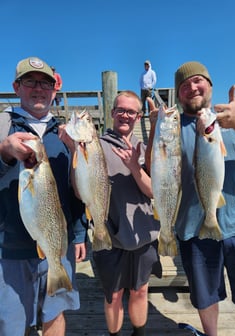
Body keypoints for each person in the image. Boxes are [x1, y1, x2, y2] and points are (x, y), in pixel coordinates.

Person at [145, 61, 235, 336]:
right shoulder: (171, 125)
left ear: (210, 85)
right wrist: (155, 133)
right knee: (205, 296)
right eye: (184, 85)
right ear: (178, 95)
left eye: (197, 81)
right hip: (193, 227)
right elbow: (154, 170)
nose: (191, 87)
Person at [0, 56, 87, 336]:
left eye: (45, 83)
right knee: (11, 324)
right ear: (16, 87)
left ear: (54, 90)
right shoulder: (4, 126)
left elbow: (77, 192)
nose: (38, 89)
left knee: (55, 315)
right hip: (8, 249)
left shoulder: (65, 135)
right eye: (30, 82)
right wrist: (3, 152)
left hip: (57, 245)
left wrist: (78, 234)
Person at [92, 90, 162, 336]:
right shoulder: (95, 146)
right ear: (111, 113)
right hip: (109, 237)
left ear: (138, 116)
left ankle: (139, 333)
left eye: (131, 111)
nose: (125, 115)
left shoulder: (146, 147)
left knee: (140, 290)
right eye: (120, 110)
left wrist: (134, 167)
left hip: (144, 237)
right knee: (113, 295)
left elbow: (154, 191)